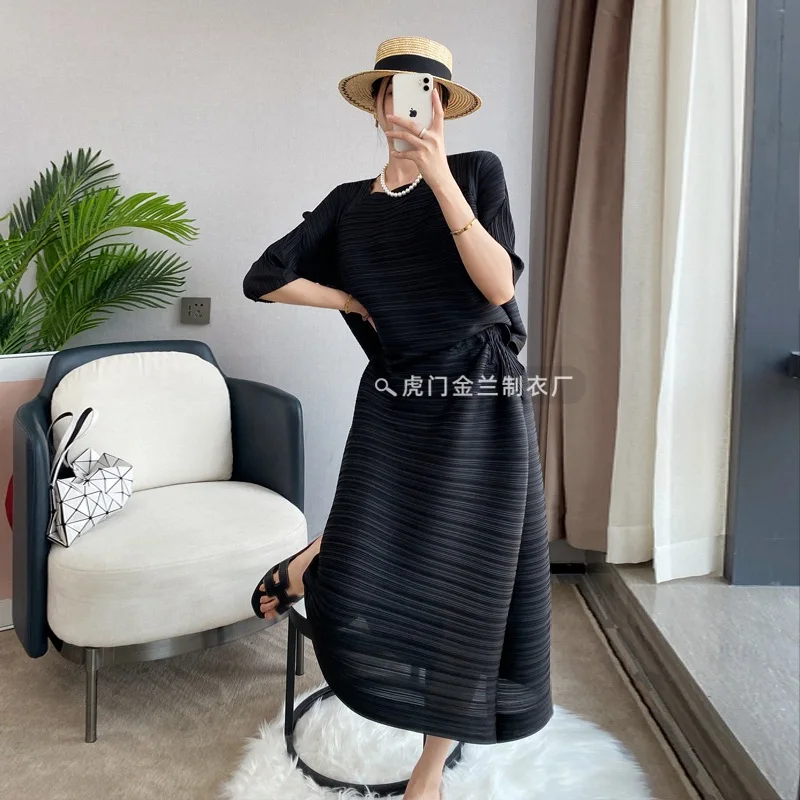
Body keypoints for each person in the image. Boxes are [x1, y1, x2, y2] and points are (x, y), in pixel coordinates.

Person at [243, 36, 553, 800]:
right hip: (397, 397)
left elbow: (497, 288)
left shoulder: (476, 173)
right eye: (396, 90)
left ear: (443, 107)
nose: (410, 105)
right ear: (378, 104)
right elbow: (264, 276)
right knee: (378, 543)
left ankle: (428, 768)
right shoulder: (348, 206)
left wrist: (439, 175)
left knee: (465, 586)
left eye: (427, 93)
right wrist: (348, 297)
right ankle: (319, 560)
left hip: (480, 399)